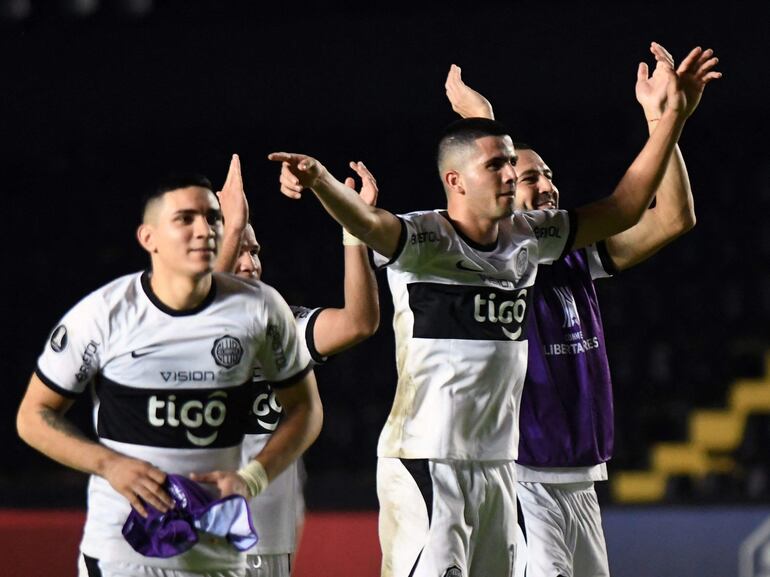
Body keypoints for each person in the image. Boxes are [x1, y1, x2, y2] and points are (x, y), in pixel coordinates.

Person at [267, 42, 690, 577]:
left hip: (500, 465)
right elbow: (372, 226)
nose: (515, 176)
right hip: (432, 459)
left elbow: (629, 206)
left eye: (518, 166)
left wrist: (668, 118)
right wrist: (321, 182)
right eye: (504, 167)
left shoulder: (534, 241)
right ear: (455, 182)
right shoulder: (427, 240)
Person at [444, 43, 721, 577]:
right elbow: (487, 210)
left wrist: (662, 119)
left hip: (582, 477)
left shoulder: (573, 257)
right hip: (523, 477)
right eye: (529, 178)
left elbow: (673, 219)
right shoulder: (493, 258)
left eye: (548, 174)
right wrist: (482, 121)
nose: (547, 184)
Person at [16, 157, 323, 577]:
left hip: (216, 555)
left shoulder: (260, 309)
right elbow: (33, 416)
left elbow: (306, 410)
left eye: (214, 218)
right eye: (186, 218)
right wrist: (109, 464)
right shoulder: (103, 315)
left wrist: (252, 478)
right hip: (122, 553)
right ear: (149, 237)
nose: (204, 229)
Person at [213, 156, 380, 576]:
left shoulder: (279, 324)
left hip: (265, 538)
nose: (251, 263)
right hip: (189, 534)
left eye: (254, 250)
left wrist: (353, 229)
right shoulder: (167, 329)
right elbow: (198, 314)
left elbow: (358, 323)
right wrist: (232, 225)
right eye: (237, 250)